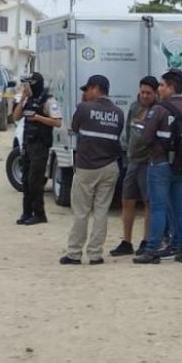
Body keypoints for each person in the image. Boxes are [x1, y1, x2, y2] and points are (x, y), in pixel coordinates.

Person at [134, 68, 182, 265]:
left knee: (158, 208)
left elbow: (145, 138)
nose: (159, 89)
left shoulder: (159, 109)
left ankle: (152, 249)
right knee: (181, 209)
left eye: (162, 85)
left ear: (171, 87)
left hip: (160, 163)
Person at [61, 75, 126, 266]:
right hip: (110, 167)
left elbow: (74, 127)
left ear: (96, 88)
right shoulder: (119, 112)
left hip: (87, 167)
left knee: (81, 212)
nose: (85, 93)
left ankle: (74, 253)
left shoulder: (84, 108)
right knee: (101, 211)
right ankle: (96, 254)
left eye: (87, 89)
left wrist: (82, 104)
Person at [110, 76, 159, 257]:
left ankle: (146, 240)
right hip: (133, 161)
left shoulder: (158, 110)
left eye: (149, 93)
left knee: (148, 203)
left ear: (155, 93)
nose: (145, 96)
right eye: (142, 92)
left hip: (149, 162)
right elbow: (129, 132)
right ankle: (126, 241)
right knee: (127, 200)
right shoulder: (134, 107)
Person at [13, 72, 62, 226]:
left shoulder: (48, 100)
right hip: (28, 145)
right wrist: (22, 99)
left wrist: (38, 118)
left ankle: (39, 214)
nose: (26, 87)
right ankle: (27, 213)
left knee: (35, 181)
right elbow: (15, 117)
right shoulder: (29, 100)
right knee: (26, 180)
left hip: (40, 146)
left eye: (28, 84)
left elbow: (57, 122)